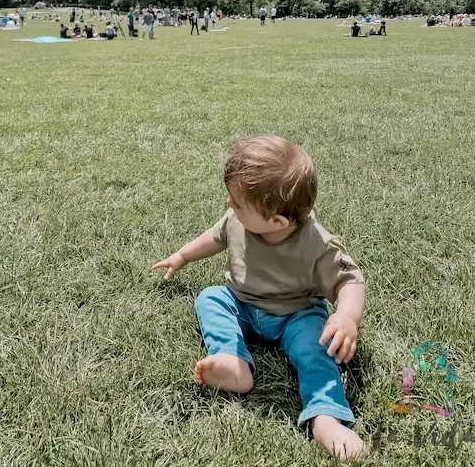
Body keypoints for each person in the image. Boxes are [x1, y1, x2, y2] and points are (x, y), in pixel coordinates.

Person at [152, 136, 366, 463]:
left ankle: (326, 417)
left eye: (237, 203)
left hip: (296, 316)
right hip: (243, 305)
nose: (229, 205)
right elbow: (213, 237)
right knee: (211, 298)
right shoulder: (238, 221)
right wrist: (181, 256)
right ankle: (232, 361)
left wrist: (347, 317)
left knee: (317, 348)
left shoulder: (317, 244)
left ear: (277, 222)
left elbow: (349, 280)